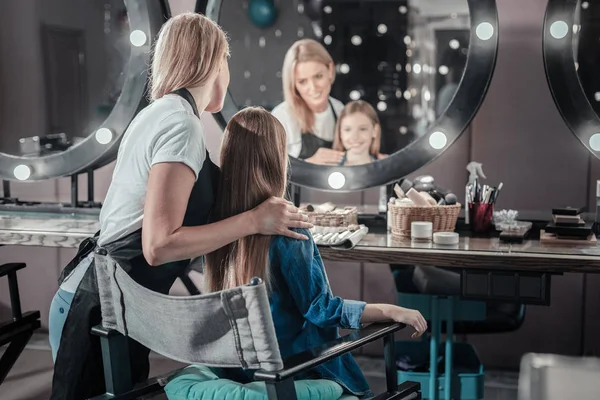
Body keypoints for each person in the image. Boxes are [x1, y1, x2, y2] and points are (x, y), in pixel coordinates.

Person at [47, 13, 311, 400]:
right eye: (227, 62)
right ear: (212, 60)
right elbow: (159, 245)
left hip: (117, 303)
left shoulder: (165, 115)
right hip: (95, 308)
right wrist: (255, 219)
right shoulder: (179, 124)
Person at [204, 107, 427, 398]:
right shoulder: (289, 230)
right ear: (277, 159)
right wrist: (389, 310)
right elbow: (321, 310)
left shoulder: (214, 228)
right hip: (293, 370)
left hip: (236, 370)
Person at [272, 39, 345, 165]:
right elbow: (268, 172)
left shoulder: (340, 110)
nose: (313, 87)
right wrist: (310, 165)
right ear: (293, 84)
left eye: (318, 76)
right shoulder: (281, 117)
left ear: (330, 70)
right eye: (302, 81)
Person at [333, 100, 387, 166]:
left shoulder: (387, 168)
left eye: (362, 129)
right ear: (340, 132)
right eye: (348, 129)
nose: (355, 137)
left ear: (375, 131)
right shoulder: (328, 169)